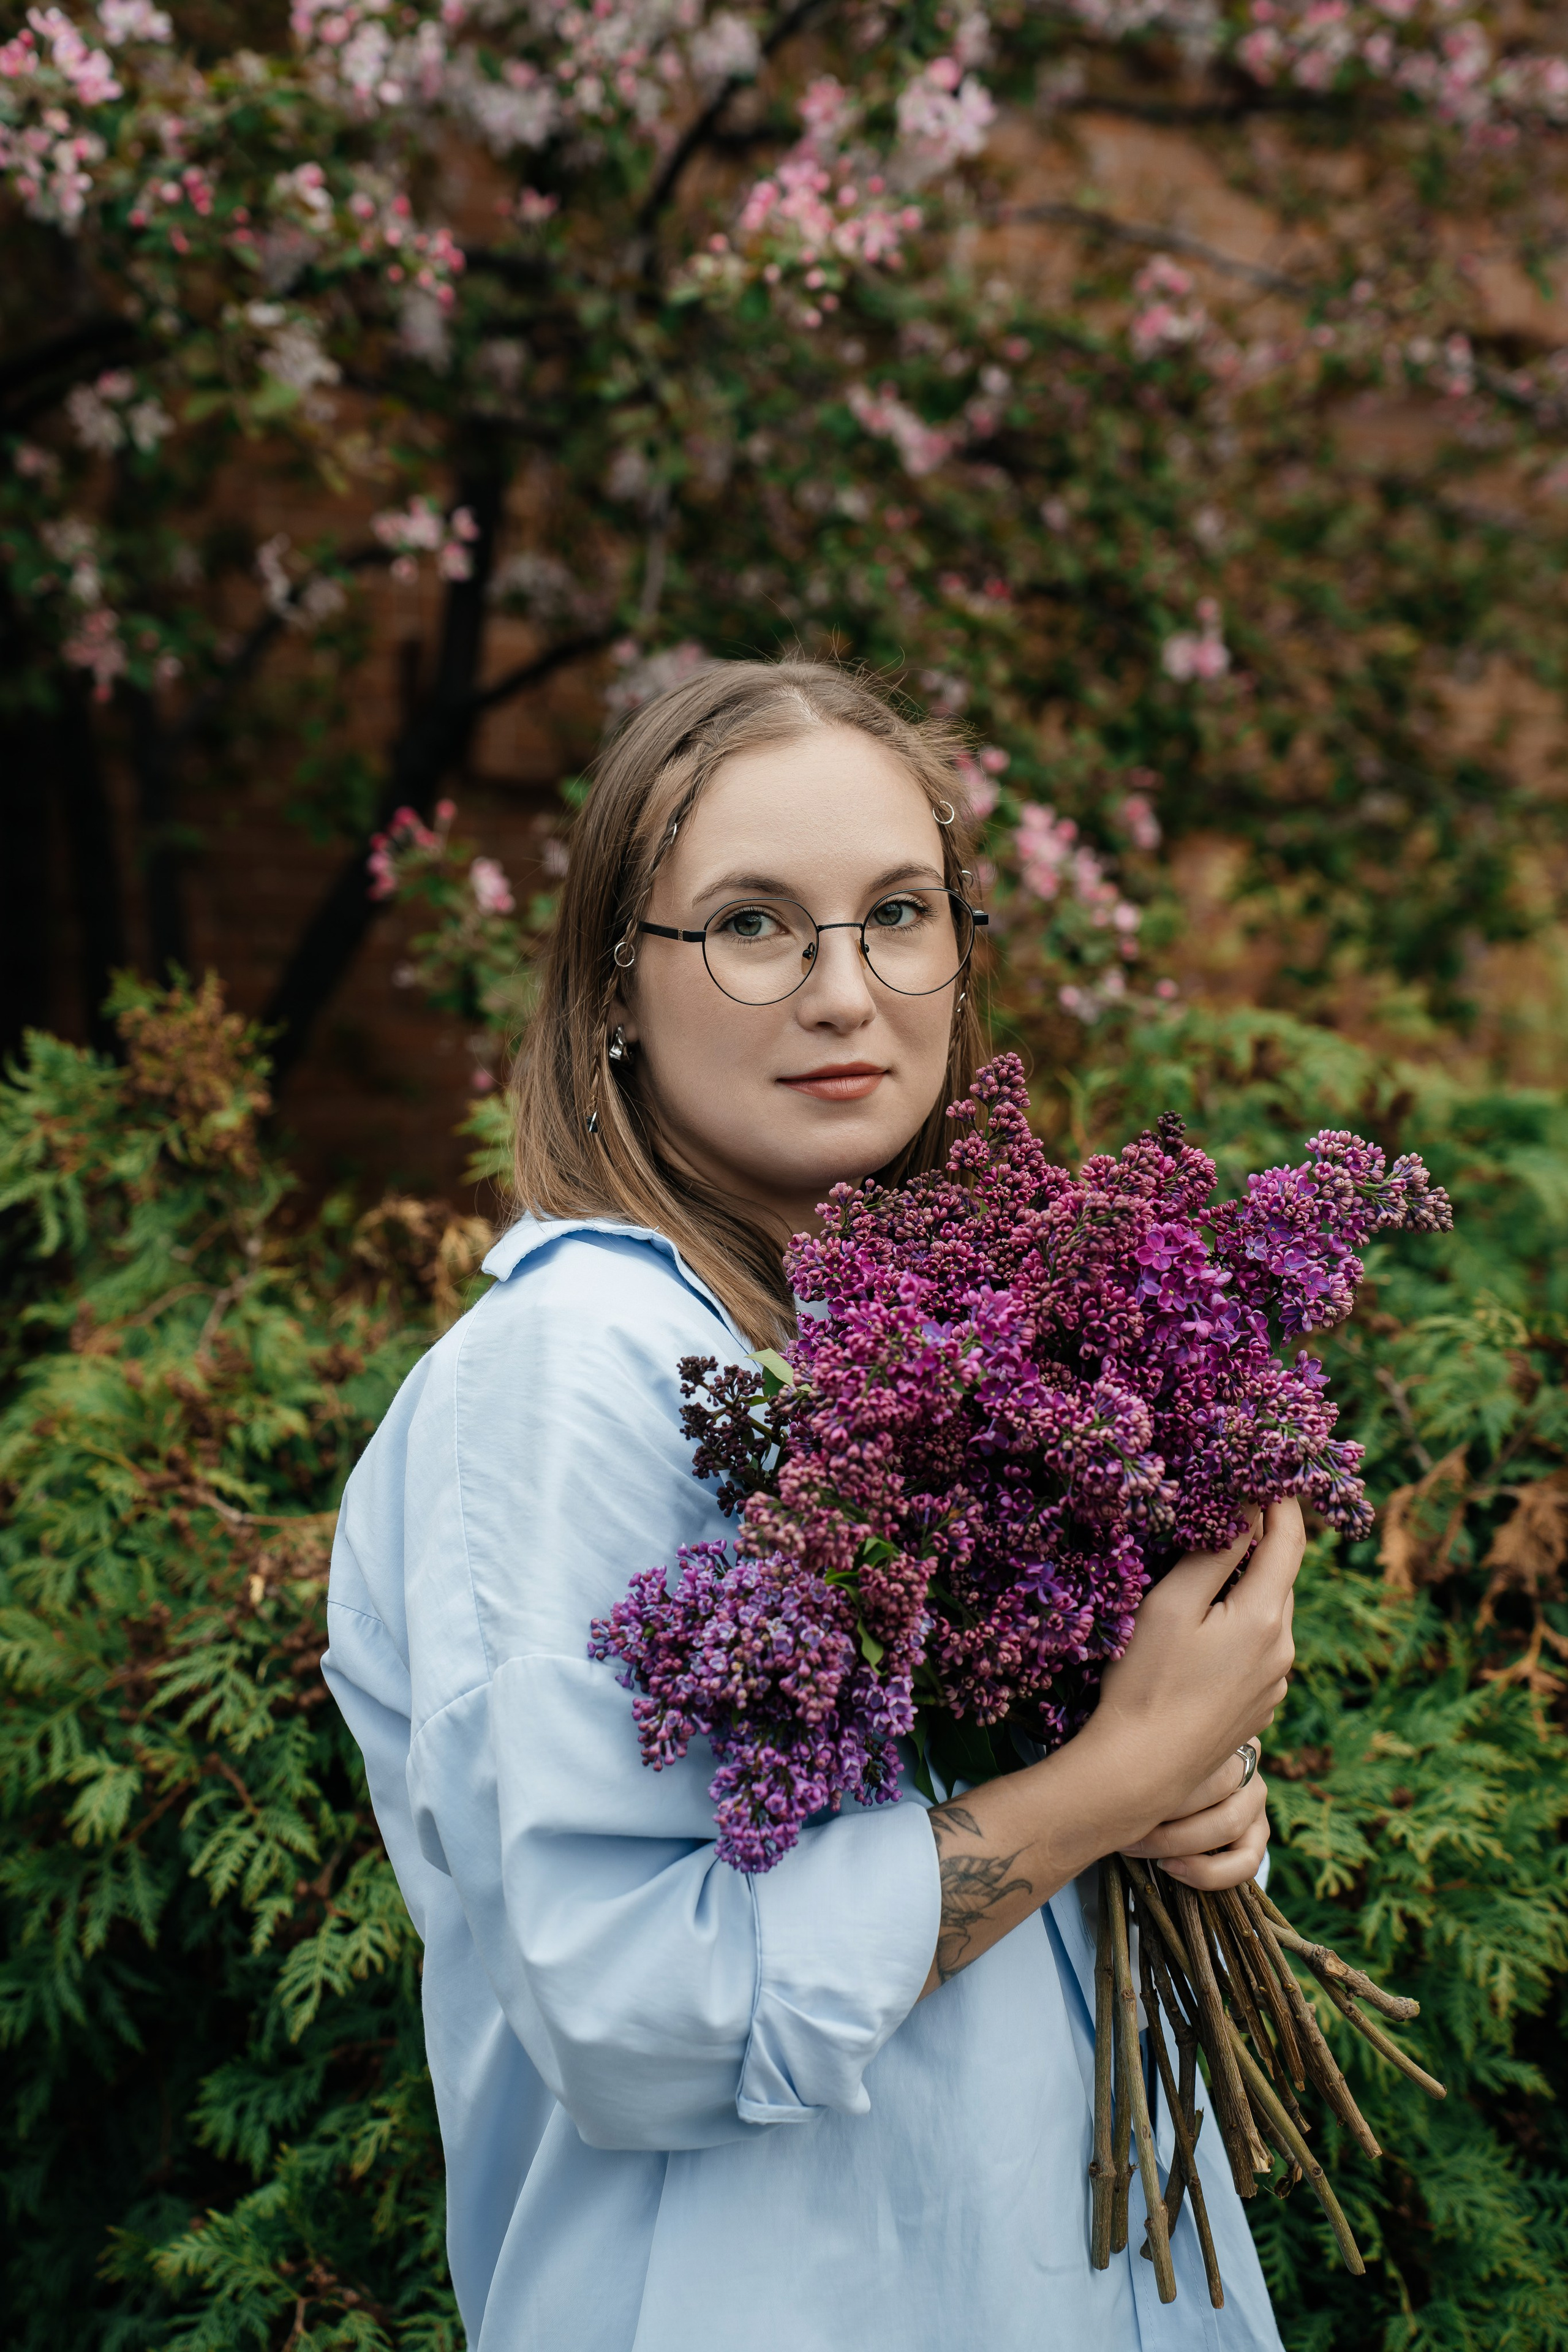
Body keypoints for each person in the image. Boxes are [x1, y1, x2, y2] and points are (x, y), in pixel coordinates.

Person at [323, 658, 1298, 2352]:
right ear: (614, 987)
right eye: (754, 925)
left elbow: (1002, 1814)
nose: (848, 992)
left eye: (898, 914)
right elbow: (636, 2011)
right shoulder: (567, 1372)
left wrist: (1169, 1800)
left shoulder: (923, 1345)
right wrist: (1111, 1779)